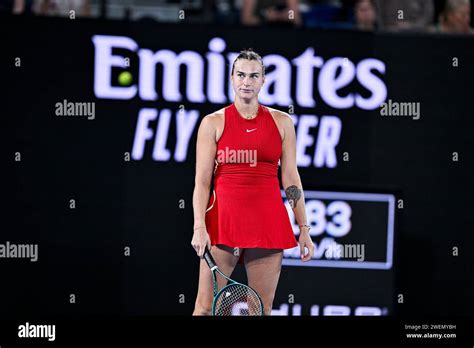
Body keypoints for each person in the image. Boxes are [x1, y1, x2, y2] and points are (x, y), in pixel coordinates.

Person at [191, 49, 314, 316]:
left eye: (254, 75)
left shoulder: (282, 122)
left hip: (268, 221)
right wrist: (199, 226)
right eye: (241, 75)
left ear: (263, 81)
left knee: (260, 310)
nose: (247, 81)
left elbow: (291, 178)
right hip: (224, 221)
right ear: (232, 78)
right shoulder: (212, 123)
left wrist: (304, 227)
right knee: (204, 309)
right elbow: (202, 182)